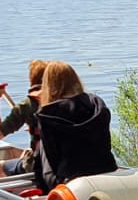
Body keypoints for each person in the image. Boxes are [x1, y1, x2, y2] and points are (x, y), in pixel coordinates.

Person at [30, 60, 118, 191]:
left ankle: (42, 193)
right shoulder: (96, 104)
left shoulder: (47, 114)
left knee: (40, 147)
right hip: (107, 167)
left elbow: (52, 159)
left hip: (69, 179)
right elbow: (106, 142)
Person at [0, 59, 48, 177]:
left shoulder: (28, 104)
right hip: (64, 160)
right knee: (25, 153)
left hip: (42, 164)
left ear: (32, 80)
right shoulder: (63, 100)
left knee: (1, 166)